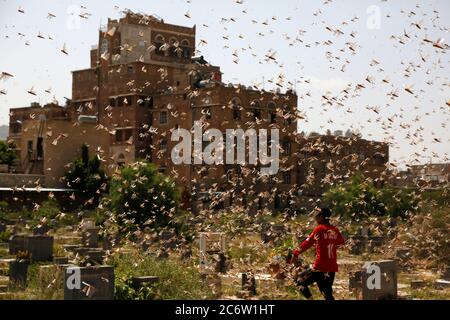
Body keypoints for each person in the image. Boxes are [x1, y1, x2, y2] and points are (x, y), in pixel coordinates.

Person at [291, 207, 345, 300]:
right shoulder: (335, 230)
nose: (315, 219)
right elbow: (341, 244)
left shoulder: (319, 230)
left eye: (317, 216)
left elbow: (307, 243)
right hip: (331, 267)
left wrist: (295, 254)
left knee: (298, 281)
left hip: (319, 267)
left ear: (322, 217)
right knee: (327, 295)